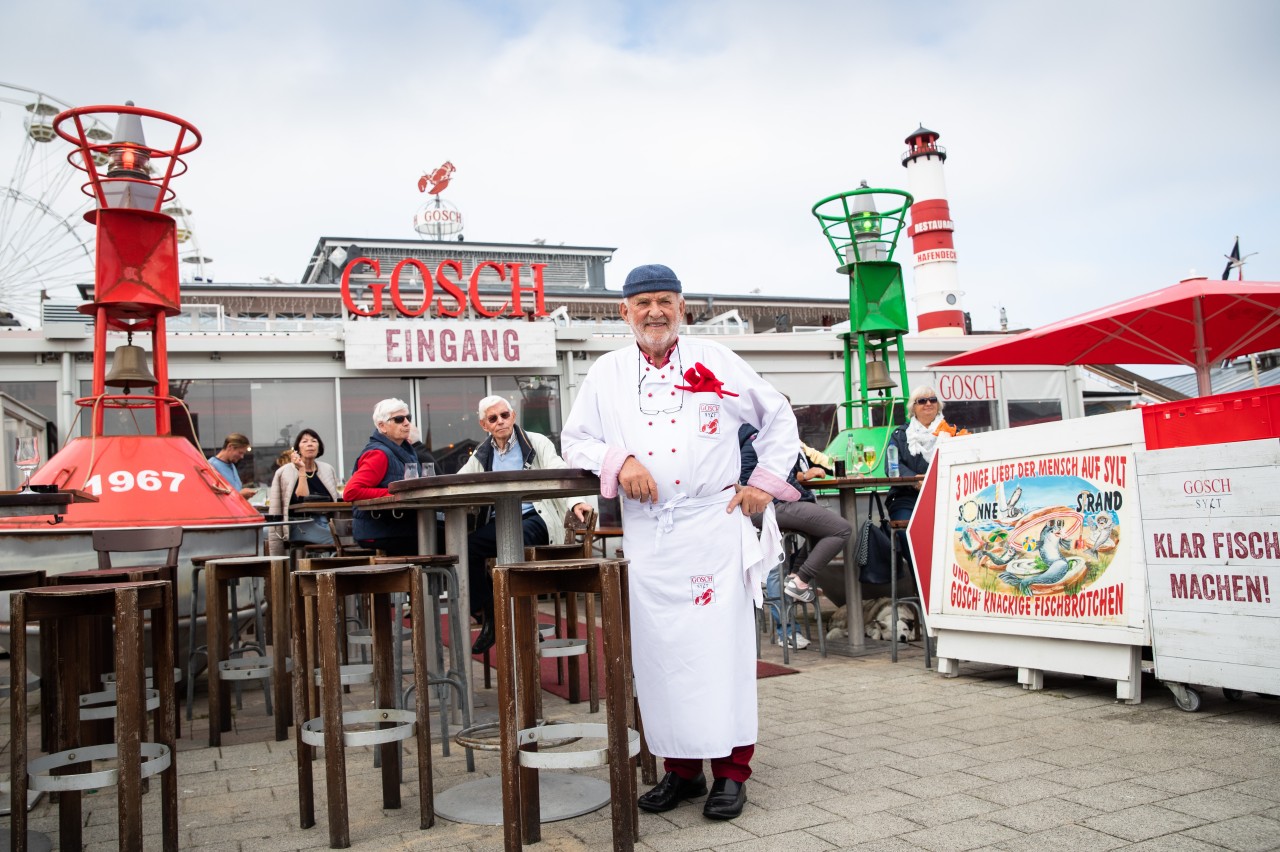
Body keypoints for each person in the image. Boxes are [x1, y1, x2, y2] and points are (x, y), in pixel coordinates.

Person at [562, 263, 800, 822]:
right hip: (650, 535)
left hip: (713, 527)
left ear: (681, 306)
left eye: (664, 301)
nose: (654, 312)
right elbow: (576, 440)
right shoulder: (606, 372)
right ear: (624, 312)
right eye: (642, 303)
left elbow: (778, 417)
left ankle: (733, 772)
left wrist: (764, 483)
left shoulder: (716, 359)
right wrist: (618, 461)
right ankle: (681, 769)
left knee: (723, 653)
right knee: (661, 655)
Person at [459, 394, 595, 654]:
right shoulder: (483, 452)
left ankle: (521, 620)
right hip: (502, 521)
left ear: (513, 416)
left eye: (505, 415)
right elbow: (461, 480)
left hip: (537, 517)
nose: (500, 421)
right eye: (493, 418)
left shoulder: (536, 441)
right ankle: (492, 613)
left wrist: (576, 502)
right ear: (483, 425)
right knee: (468, 547)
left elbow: (559, 470)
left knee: (514, 543)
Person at [738, 422, 851, 650]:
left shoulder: (778, 435)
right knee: (839, 529)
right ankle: (789, 614)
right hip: (770, 508)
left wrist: (800, 476)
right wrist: (794, 487)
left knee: (822, 532)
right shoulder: (756, 436)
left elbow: (781, 472)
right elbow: (750, 476)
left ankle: (796, 577)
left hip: (781, 504)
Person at [886, 386, 967, 563]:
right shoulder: (900, 434)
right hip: (907, 498)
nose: (928, 404)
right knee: (907, 533)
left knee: (960, 533)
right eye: (922, 401)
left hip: (945, 497)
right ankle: (922, 585)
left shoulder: (953, 432)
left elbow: (965, 460)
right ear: (913, 408)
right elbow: (891, 466)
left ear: (939, 405)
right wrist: (917, 481)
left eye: (932, 400)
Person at [343, 399, 421, 556]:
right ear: (382, 426)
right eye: (399, 419)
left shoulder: (405, 451)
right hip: (381, 529)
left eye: (408, 418)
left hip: (399, 525)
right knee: (452, 541)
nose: (406, 423)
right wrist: (394, 494)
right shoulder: (379, 454)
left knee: (449, 535)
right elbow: (351, 492)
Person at [265, 428, 341, 556]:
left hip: (325, 520)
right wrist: (301, 469)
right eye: (304, 441)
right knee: (338, 541)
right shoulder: (285, 472)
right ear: (297, 449)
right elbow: (302, 498)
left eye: (314, 441)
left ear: (319, 446)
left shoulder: (327, 469)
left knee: (351, 537)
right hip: (299, 523)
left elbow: (335, 498)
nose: (310, 444)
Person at [208, 433, 257, 499]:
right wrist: (240, 495)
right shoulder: (211, 466)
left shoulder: (231, 465)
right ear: (230, 447)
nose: (242, 457)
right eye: (240, 452)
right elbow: (213, 496)